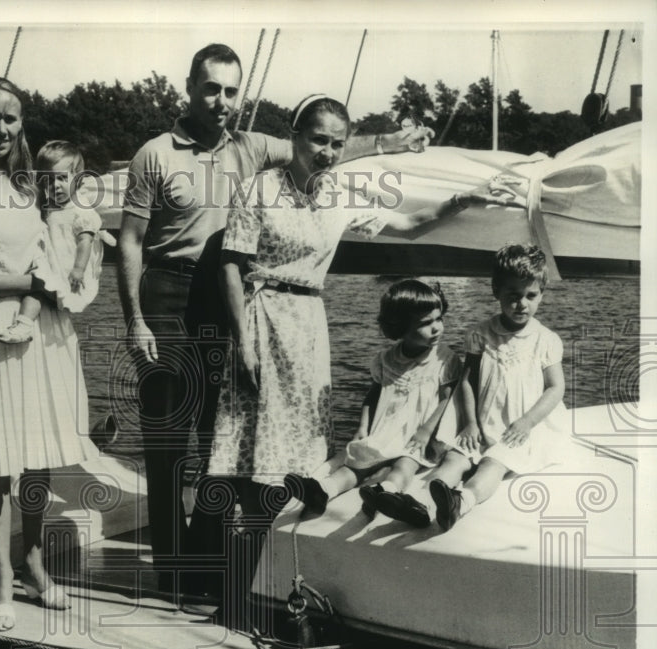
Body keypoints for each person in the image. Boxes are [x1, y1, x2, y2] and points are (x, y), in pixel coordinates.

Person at [117, 43, 433, 607]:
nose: (221, 101)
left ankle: (210, 567)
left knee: (221, 437)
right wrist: (135, 320)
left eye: (231, 91)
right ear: (189, 87)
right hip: (170, 292)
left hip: (230, 300)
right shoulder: (155, 154)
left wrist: (391, 142)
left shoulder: (251, 146)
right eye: (211, 89)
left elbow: (323, 145)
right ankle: (172, 574)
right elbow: (131, 241)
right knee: (169, 444)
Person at [209, 94, 514, 562]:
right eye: (317, 140)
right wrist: (243, 345)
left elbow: (410, 224)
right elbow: (230, 267)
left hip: (309, 325)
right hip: (262, 320)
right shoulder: (260, 188)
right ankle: (236, 568)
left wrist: (463, 200)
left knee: (297, 448)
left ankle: (265, 562)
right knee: (254, 455)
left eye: (336, 143)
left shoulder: (339, 194)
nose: (327, 153)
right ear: (295, 137)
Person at [0, 77, 98, 631]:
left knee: (38, 452)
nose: (1, 128)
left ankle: (34, 562)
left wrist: (70, 273)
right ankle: (3, 574)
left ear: (22, 122)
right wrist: (30, 279)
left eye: (11, 118)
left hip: (46, 327)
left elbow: (77, 235)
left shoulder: (35, 185)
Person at [282, 280, 466, 528]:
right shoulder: (386, 359)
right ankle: (324, 490)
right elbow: (373, 395)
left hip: (419, 433)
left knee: (406, 462)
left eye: (438, 319)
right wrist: (362, 426)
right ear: (400, 327)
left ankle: (389, 491)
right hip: (387, 428)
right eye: (425, 323)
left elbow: (447, 399)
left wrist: (425, 432)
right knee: (359, 460)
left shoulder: (444, 359)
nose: (437, 328)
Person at [429, 244, 568, 531]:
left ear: (542, 293)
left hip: (520, 425)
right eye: (513, 295)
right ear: (496, 291)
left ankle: (462, 501)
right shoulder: (480, 333)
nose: (522, 304)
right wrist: (469, 423)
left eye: (531, 296)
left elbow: (555, 388)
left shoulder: (546, 339)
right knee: (457, 456)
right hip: (482, 418)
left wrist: (527, 422)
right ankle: (425, 500)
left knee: (495, 462)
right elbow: (468, 379)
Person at [0, 140, 111, 343]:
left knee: (40, 288)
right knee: (38, 287)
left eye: (61, 178)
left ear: (78, 180)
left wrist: (78, 269)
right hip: (51, 258)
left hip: (69, 265)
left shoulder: (81, 210)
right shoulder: (49, 206)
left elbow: (85, 241)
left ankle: (24, 324)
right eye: (48, 180)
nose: (55, 186)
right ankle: (24, 324)